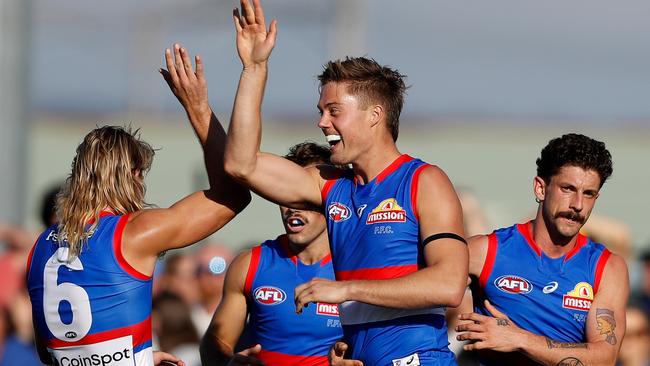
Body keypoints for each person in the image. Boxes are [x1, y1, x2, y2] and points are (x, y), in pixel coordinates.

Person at [222, 1, 468, 364]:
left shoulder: (423, 180)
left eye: (334, 111)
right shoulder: (330, 185)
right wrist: (255, 69)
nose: (322, 123)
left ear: (374, 116)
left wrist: (346, 290)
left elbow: (448, 285)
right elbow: (240, 164)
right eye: (321, 111)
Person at [26, 44, 250, 366]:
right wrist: (197, 107)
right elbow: (233, 195)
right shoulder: (136, 232)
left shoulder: (41, 245)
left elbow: (49, 350)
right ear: (131, 176)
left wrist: (139, 359)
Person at [456, 133, 629, 366]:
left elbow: (603, 359)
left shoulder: (607, 267)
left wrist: (520, 339)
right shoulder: (484, 251)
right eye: (567, 189)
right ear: (540, 188)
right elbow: (423, 291)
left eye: (588, 194)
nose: (578, 205)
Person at [200, 142, 343, 366]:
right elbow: (215, 345)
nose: (292, 207)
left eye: (303, 196)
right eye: (285, 195)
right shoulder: (250, 264)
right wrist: (228, 363)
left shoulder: (357, 265)